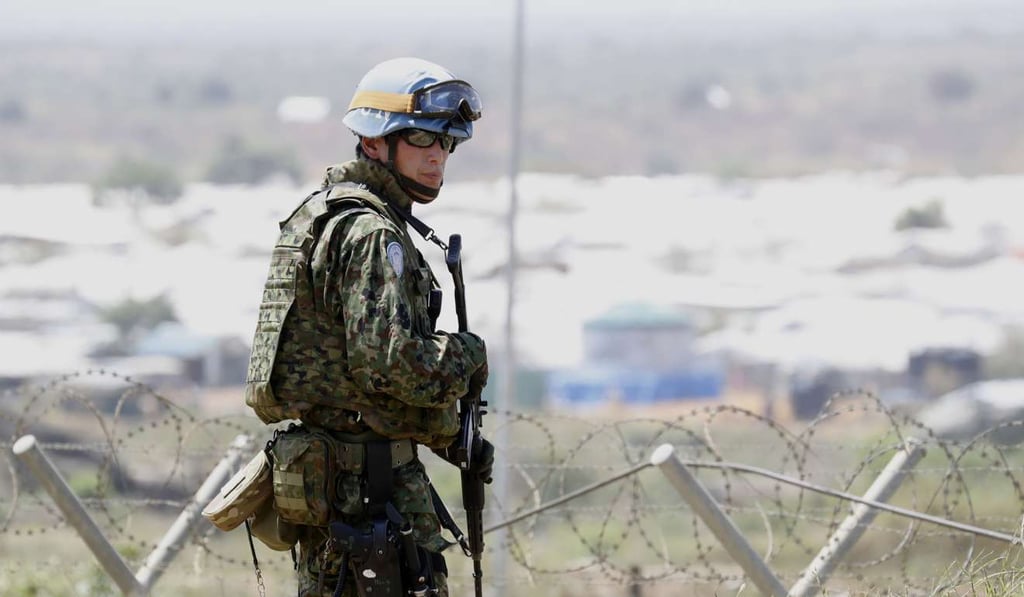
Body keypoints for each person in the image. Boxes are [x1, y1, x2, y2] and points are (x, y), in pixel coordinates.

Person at [244, 57, 493, 597]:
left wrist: (450, 435)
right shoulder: (373, 234)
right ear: (375, 142)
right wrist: (468, 354)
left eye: (446, 144)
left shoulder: (323, 215)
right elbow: (394, 369)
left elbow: (348, 381)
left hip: (336, 493)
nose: (437, 158)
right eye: (423, 139)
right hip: (371, 500)